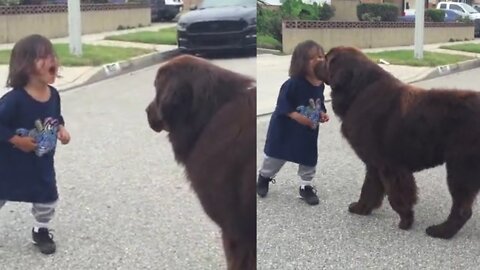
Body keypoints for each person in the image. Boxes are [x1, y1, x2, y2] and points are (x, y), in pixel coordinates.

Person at [0, 34, 71, 255]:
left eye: (52, 55)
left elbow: (55, 116)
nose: (52, 60)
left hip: (41, 162)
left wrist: (61, 128)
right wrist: (16, 140)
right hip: (9, 164)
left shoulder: (54, 95)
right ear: (26, 66)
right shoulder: (14, 100)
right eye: (43, 56)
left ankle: (41, 230)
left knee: (47, 198)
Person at [257, 40, 329, 206]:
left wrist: (322, 113)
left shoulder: (320, 84)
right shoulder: (293, 84)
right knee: (275, 157)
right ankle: (264, 177)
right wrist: (297, 117)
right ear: (301, 63)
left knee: (308, 159)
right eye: (312, 58)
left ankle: (306, 186)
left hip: (307, 132)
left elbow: (319, 103)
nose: (318, 60)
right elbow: (283, 105)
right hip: (285, 130)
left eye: (321, 57)